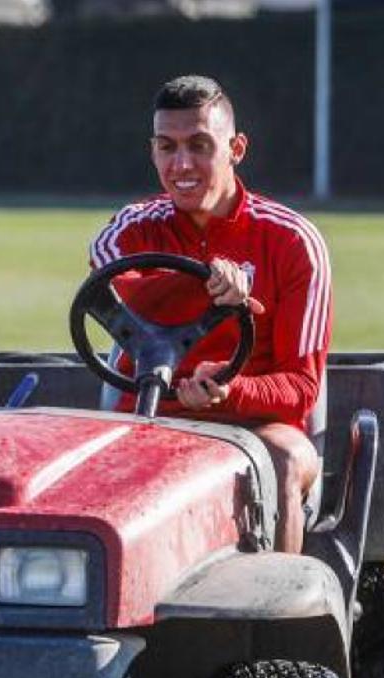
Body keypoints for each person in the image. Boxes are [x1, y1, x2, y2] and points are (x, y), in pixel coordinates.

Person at [88, 74, 332, 555]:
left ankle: (274, 617)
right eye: (167, 147)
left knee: (283, 458)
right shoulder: (127, 231)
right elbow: (115, 294)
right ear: (152, 150)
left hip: (256, 424)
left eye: (200, 145)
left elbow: (301, 391)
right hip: (150, 415)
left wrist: (229, 388)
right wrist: (208, 280)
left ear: (236, 147)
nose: (182, 164)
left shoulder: (293, 242)